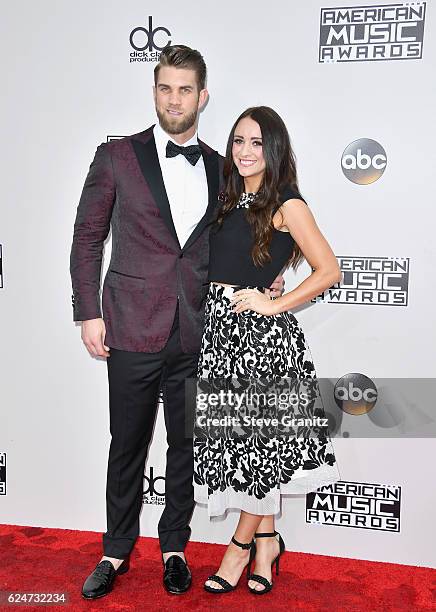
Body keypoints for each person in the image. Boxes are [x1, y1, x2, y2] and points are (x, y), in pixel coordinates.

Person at [70, 46, 283, 599]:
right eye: (166, 88)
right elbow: (88, 237)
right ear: (155, 91)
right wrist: (88, 313)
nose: (175, 99)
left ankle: (173, 550)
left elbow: (242, 240)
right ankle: (115, 551)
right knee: (127, 444)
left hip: (198, 330)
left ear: (202, 97)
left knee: (185, 447)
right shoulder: (117, 156)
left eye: (185, 89)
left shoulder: (221, 166)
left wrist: (269, 279)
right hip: (130, 326)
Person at [193, 106, 342, 595]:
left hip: (262, 345)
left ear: (274, 148)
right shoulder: (229, 198)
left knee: (261, 454)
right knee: (250, 450)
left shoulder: (286, 202)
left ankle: (238, 550)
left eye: (256, 142)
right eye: (238, 141)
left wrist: (273, 305)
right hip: (221, 338)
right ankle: (268, 543)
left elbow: (328, 271)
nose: (245, 152)